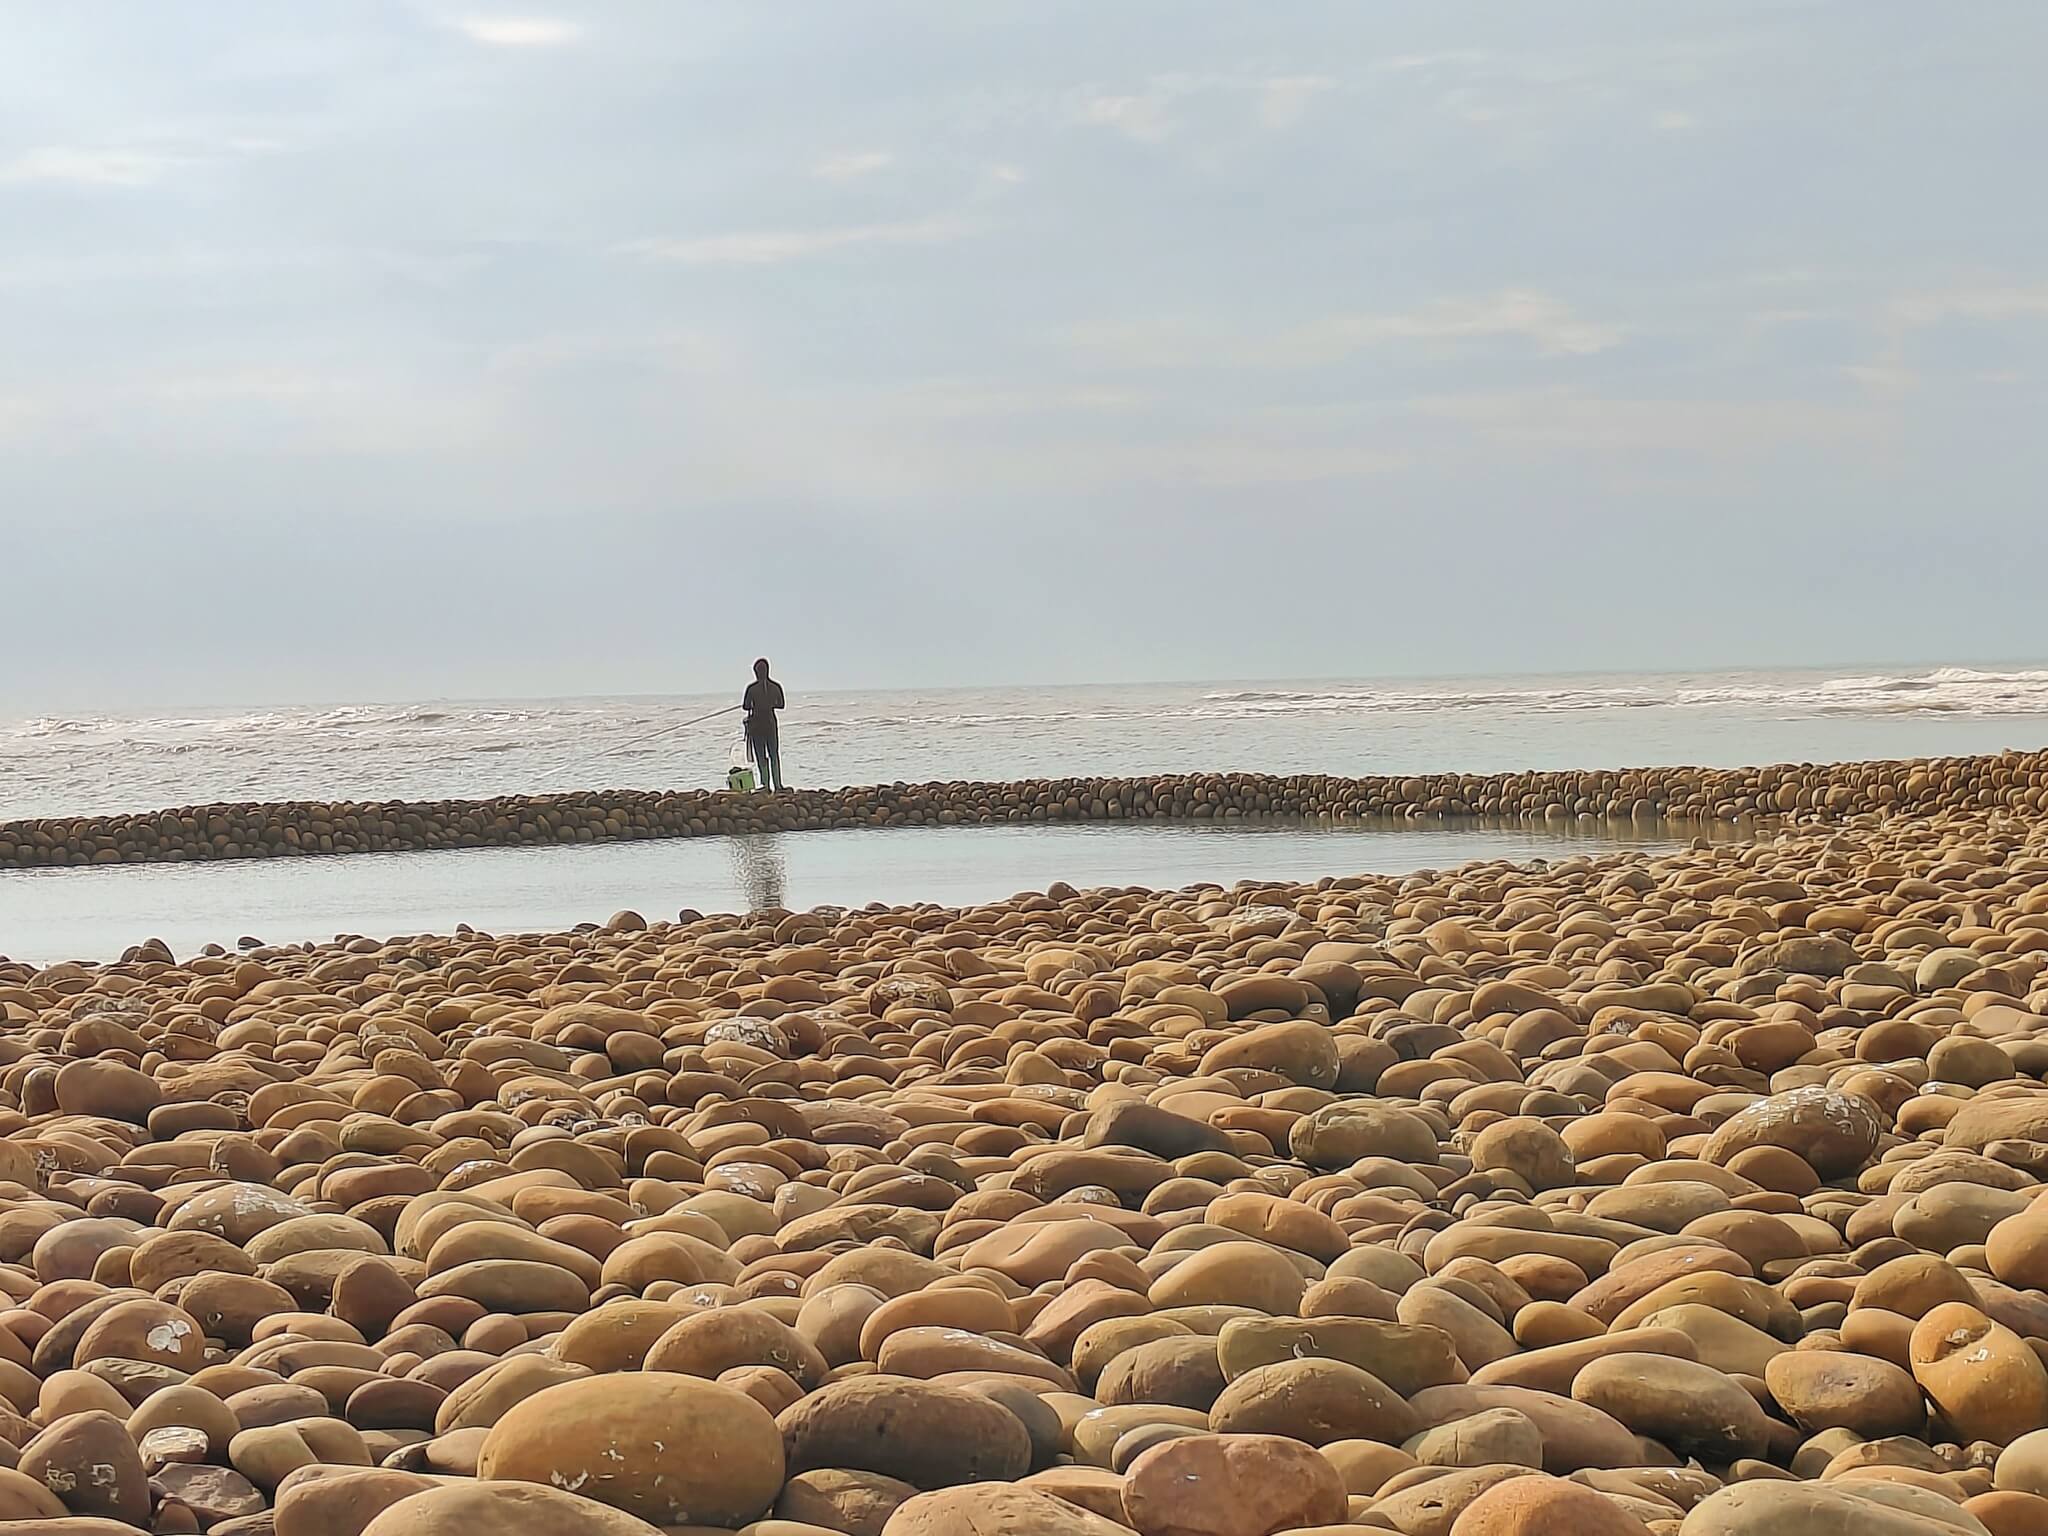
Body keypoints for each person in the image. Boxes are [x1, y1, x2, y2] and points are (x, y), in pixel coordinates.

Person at [741, 658, 786, 791]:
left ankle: (765, 785)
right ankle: (778, 785)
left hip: (757, 724)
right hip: (770, 722)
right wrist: (770, 703)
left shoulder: (751, 688)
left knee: (761, 755)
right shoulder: (776, 686)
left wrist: (758, 704)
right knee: (774, 754)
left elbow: (745, 706)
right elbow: (781, 704)